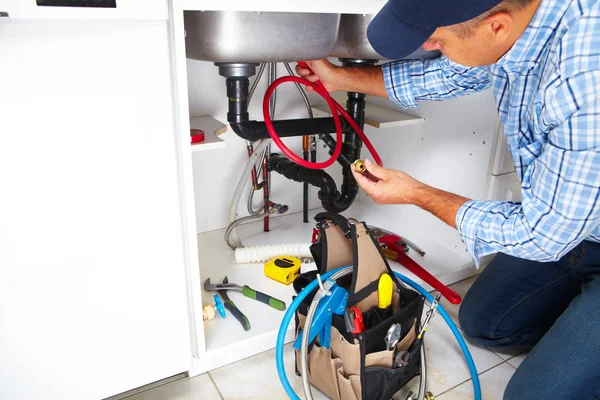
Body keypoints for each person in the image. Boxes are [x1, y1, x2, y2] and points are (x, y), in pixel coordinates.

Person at [297, 0, 600, 398]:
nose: (429, 46)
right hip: (578, 228)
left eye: (436, 39)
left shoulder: (583, 85)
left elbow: (544, 234)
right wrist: (338, 78)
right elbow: (446, 75)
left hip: (560, 230)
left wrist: (416, 194)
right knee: (485, 325)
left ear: (496, 27)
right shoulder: (519, 26)